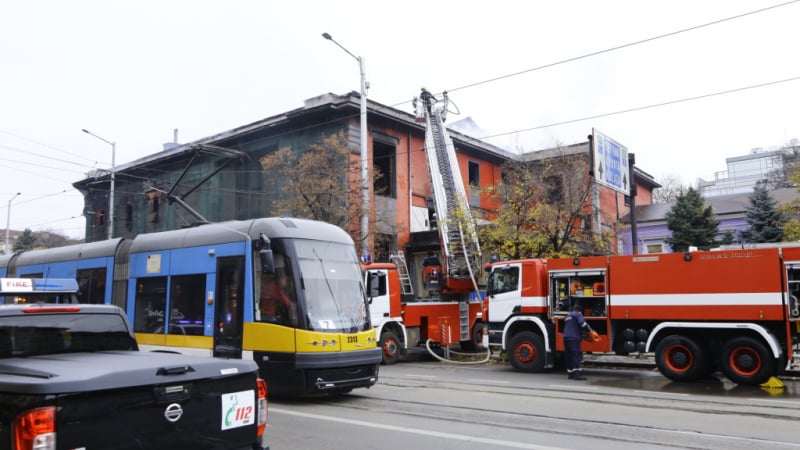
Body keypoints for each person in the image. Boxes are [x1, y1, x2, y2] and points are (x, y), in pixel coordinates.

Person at [259, 262, 297, 326]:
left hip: (269, 315)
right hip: (267, 316)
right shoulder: (275, 288)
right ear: (280, 279)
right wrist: (294, 305)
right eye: (285, 279)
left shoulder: (276, 287)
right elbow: (285, 301)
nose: (286, 282)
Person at [563, 304, 593, 380]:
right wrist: (590, 331)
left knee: (569, 355)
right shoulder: (578, 314)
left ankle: (570, 373)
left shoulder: (568, 316)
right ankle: (576, 374)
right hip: (574, 338)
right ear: (580, 311)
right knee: (576, 355)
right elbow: (583, 324)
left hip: (566, 338)